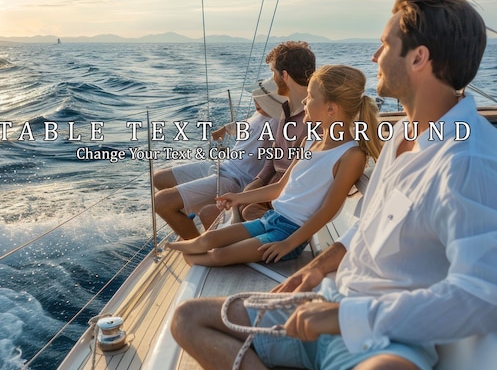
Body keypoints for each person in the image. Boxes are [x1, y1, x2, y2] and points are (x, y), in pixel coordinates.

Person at [100, 0, 497, 370]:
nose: (375, 54)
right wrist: (320, 267)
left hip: (380, 338)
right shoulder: (404, 133)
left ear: (418, 58)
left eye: (385, 44)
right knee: (190, 319)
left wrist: (344, 316)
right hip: (329, 303)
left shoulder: (469, 160)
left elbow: (481, 299)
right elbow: (370, 223)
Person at [168, 65, 381, 268]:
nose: (305, 100)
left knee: (219, 255)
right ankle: (185, 249)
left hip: (289, 234)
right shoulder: (311, 139)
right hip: (271, 219)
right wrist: (238, 197)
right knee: (208, 239)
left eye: (312, 96)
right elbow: (280, 188)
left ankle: (191, 258)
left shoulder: (350, 155)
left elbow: (327, 211)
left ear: (331, 109)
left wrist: (289, 243)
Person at [152, 78, 284, 239]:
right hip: (223, 166)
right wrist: (225, 129)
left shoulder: (280, 122)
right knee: (158, 178)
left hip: (236, 180)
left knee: (161, 203)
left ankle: (197, 245)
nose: (255, 99)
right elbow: (246, 124)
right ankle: (189, 218)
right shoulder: (261, 112)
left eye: (262, 98)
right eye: (256, 96)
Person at [238, 41, 316, 221]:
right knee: (235, 207)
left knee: (246, 210)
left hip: (289, 197)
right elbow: (275, 153)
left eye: (273, 72)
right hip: (273, 190)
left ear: (284, 75)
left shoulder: (313, 117)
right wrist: (257, 181)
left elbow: (303, 176)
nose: (272, 79)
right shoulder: (286, 108)